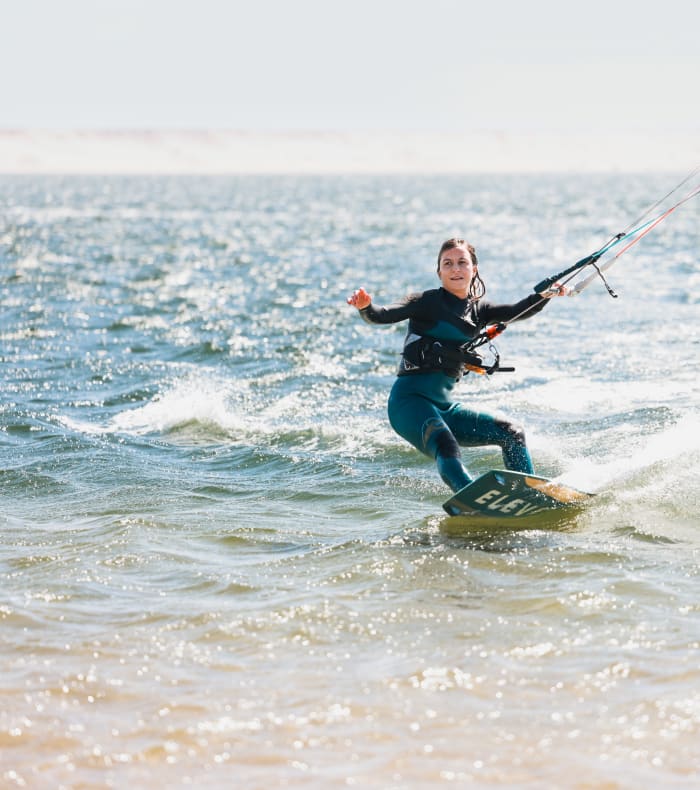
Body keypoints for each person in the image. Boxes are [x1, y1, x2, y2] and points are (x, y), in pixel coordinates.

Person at [347, 238, 567, 494]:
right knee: (446, 445)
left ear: (474, 269)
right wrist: (365, 307)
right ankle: (472, 498)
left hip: (444, 408)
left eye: (462, 262)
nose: (455, 269)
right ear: (439, 271)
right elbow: (381, 315)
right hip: (408, 404)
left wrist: (544, 295)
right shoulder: (425, 302)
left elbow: (518, 310)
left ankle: (527, 493)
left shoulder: (480, 310)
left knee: (512, 433)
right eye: (448, 263)